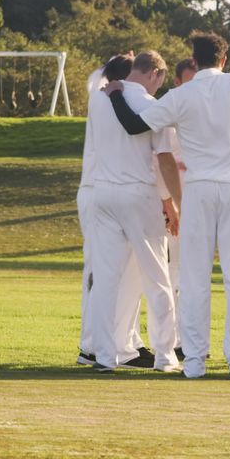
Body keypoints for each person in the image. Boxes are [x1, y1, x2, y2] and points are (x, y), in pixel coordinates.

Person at [103, 32, 230, 379]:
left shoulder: (182, 93)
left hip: (198, 189)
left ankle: (194, 361)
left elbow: (135, 125)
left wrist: (118, 94)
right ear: (224, 60)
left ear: (194, 61)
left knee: (194, 277)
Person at [87, 51, 183, 373]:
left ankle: (103, 355)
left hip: (103, 193)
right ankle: (165, 355)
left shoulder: (98, 100)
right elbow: (165, 161)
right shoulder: (154, 107)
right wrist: (174, 201)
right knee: (157, 277)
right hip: (138, 194)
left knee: (105, 279)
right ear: (155, 73)